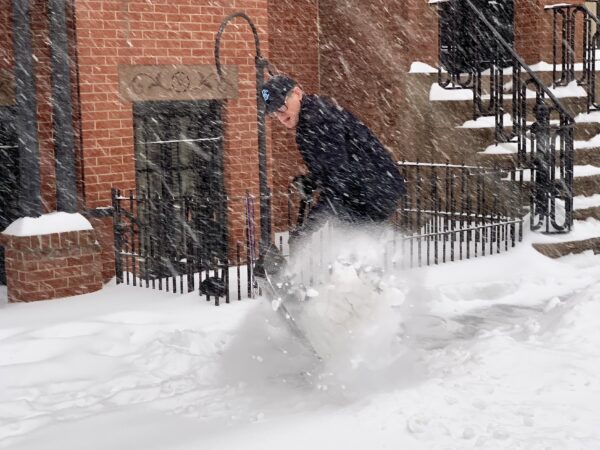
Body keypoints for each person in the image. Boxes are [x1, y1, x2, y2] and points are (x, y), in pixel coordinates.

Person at [261, 74, 406, 248]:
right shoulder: (309, 121)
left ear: (298, 93)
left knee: (354, 246)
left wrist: (306, 230)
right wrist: (313, 181)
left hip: (371, 191)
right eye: (275, 112)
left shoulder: (319, 121)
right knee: (352, 244)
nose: (281, 116)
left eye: (282, 106)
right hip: (366, 189)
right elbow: (332, 169)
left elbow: (339, 180)